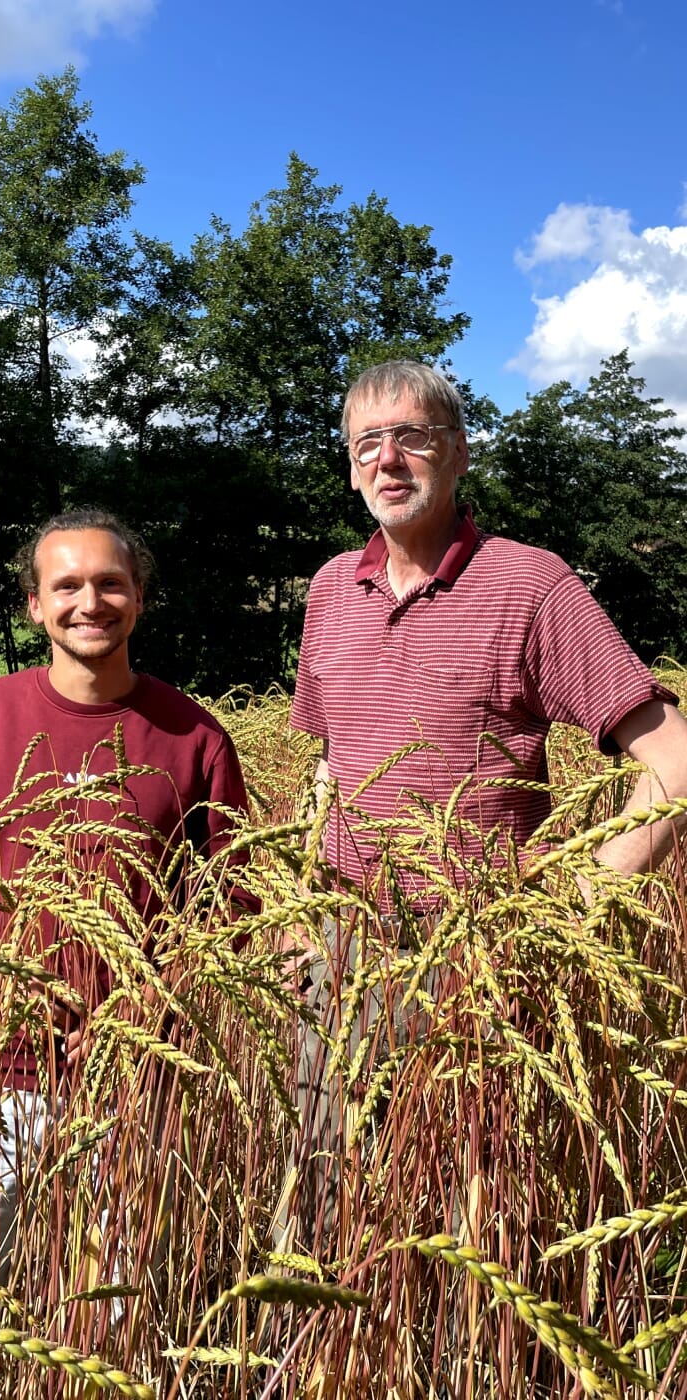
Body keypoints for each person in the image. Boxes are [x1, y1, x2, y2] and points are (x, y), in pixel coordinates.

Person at [279, 358, 687, 1247]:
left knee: (476, 1214)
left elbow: (673, 761)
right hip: (342, 957)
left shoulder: (531, 585)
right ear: (350, 468)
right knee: (320, 1203)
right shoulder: (326, 593)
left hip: (480, 960)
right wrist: (300, 910)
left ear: (458, 453)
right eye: (367, 444)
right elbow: (328, 764)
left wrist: (577, 898)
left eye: (412, 438)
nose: (389, 461)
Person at [0, 508, 253, 1395]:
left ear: (139, 599)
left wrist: (145, 1005)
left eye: (110, 583)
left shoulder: (195, 736)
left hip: (135, 1070)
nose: (91, 602)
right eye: (68, 586)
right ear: (34, 605)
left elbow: (235, 898)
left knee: (117, 1299)